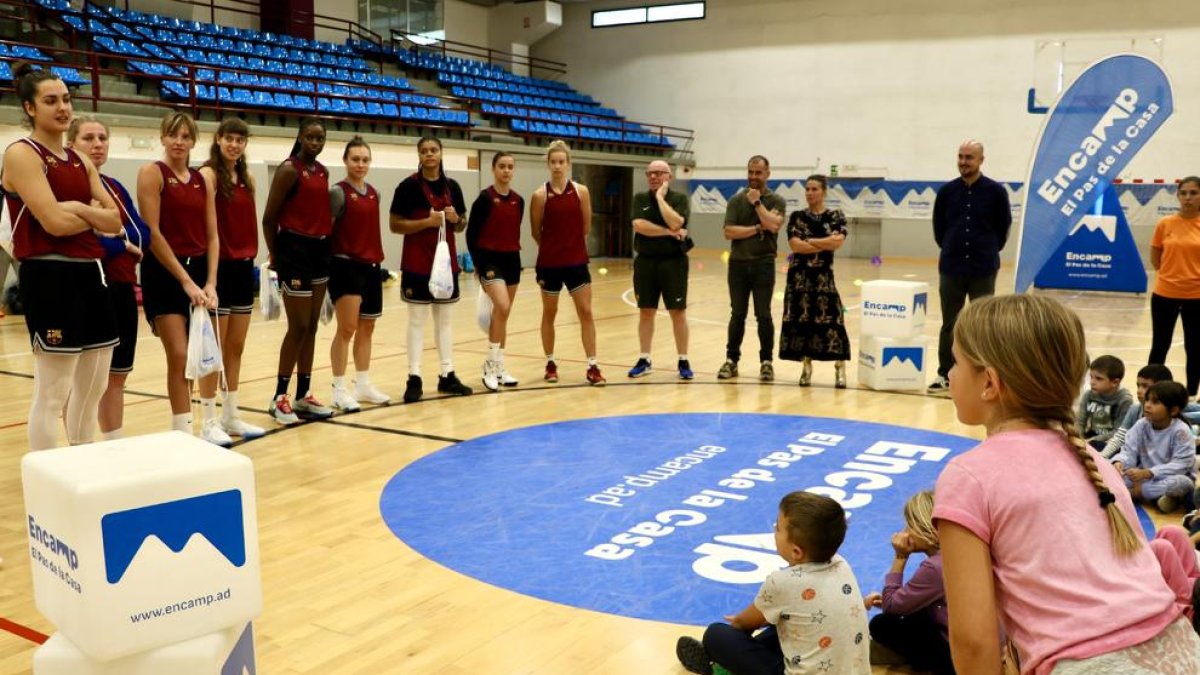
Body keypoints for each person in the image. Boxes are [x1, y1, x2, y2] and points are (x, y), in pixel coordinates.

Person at [933, 294, 1198, 674]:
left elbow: (974, 643)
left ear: (989, 382)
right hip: (1181, 651)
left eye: (956, 362)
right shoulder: (1094, 462)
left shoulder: (968, 477)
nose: (949, 374)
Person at [2, 63, 122, 450]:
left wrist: (79, 209)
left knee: (93, 389)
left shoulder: (80, 159)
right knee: (54, 392)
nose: (63, 108)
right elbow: (53, 223)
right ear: (30, 108)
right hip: (49, 276)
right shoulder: (21, 154)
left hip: (92, 273)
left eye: (66, 99)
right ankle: (44, 477)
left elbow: (115, 220)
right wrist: (90, 215)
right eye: (51, 101)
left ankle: (83, 468)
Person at [675, 491, 869, 675]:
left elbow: (742, 624)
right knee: (783, 624)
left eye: (778, 528)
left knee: (717, 635)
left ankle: (723, 668)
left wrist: (738, 642)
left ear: (796, 551)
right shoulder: (841, 563)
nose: (774, 530)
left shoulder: (782, 582)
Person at [136, 111, 226, 444]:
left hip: (200, 269)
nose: (178, 141)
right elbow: (152, 232)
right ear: (162, 137)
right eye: (173, 135)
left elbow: (212, 235)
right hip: (164, 272)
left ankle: (210, 422)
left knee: (207, 351)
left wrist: (211, 281)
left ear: (193, 141)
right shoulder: (152, 173)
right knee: (178, 354)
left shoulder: (204, 179)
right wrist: (185, 281)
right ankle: (182, 431)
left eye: (185, 136)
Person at [66, 116, 151, 441]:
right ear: (71, 144)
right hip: (83, 289)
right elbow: (80, 243)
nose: (97, 144)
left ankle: (114, 446)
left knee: (117, 376)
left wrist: (114, 235)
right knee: (80, 380)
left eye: (102, 138)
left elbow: (143, 235)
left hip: (122, 288)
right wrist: (121, 243)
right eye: (88, 138)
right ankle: (78, 448)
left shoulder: (113, 187)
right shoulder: (64, 187)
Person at [262, 117, 336, 424]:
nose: (315, 143)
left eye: (320, 138)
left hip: (320, 250)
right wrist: (277, 255)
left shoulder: (323, 171)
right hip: (293, 250)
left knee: (313, 327)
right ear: (300, 137)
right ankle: (279, 397)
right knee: (299, 325)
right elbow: (269, 218)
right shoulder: (288, 169)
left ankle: (303, 395)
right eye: (310, 137)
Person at [389, 136, 473, 403]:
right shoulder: (407, 187)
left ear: (441, 153)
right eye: (424, 150)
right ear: (419, 155)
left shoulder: (453, 186)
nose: (429, 154)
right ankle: (414, 377)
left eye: (433, 150)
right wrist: (427, 222)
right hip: (417, 263)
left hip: (445, 265)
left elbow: (461, 224)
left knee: (445, 320)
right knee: (417, 320)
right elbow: (394, 225)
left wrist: (456, 219)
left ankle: (447, 374)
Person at [197, 117, 265, 440]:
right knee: (214, 349)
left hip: (243, 267)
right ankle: (208, 420)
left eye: (240, 140)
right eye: (230, 139)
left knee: (235, 347)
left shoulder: (248, 177)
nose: (235, 145)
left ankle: (231, 415)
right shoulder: (208, 175)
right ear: (219, 139)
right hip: (218, 267)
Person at [927, 140, 1011, 396]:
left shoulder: (996, 192)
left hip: (983, 267)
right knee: (950, 323)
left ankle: (982, 376)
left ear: (981, 160)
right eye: (961, 156)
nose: (964, 162)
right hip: (951, 267)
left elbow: (1003, 228)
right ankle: (945, 374)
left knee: (982, 325)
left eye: (969, 157)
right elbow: (939, 229)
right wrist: (951, 248)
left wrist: (986, 249)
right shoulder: (947, 192)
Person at [530, 139, 605, 386]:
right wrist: (554, 249)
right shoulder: (539, 195)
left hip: (576, 263)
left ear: (568, 163)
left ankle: (592, 366)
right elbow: (536, 232)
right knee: (549, 313)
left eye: (561, 162)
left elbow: (585, 226)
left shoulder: (581, 192)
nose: (557, 166)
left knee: (586, 311)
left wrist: (569, 247)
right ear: (548, 164)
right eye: (553, 162)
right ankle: (550, 363)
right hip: (549, 264)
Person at [327, 137, 390, 411]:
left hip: (372, 266)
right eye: (355, 159)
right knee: (347, 328)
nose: (360, 164)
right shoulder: (337, 193)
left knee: (368, 327)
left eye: (365, 159)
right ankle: (338, 389)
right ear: (345, 160)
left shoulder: (375, 193)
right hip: (345, 266)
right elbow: (326, 233)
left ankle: (362, 384)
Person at [862, 490, 953, 675]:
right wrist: (902, 599)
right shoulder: (956, 552)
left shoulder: (934, 567)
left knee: (883, 624)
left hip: (955, 655)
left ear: (927, 528)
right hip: (984, 641)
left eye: (909, 525)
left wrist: (900, 556)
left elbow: (891, 607)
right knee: (915, 612)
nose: (904, 532)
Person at [778, 175, 850, 388]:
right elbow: (795, 246)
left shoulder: (835, 216)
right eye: (807, 189)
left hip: (823, 278)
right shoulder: (797, 216)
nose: (810, 193)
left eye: (814, 189)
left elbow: (837, 243)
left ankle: (840, 367)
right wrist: (824, 243)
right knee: (803, 323)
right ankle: (806, 367)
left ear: (824, 191)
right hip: (799, 279)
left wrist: (809, 240)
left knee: (834, 320)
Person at [718, 155, 786, 382]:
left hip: (763, 264)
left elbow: (773, 225)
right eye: (750, 172)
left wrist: (757, 204)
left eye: (758, 172)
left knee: (763, 315)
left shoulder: (776, 200)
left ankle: (766, 363)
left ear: (767, 174)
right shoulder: (736, 200)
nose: (753, 176)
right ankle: (731, 361)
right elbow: (729, 232)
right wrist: (757, 228)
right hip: (737, 265)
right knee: (737, 314)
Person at [627, 159, 692, 380]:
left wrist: (660, 199)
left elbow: (677, 222)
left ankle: (683, 360)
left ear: (669, 176)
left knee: (677, 312)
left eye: (659, 173)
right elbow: (639, 226)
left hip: (674, 263)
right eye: (650, 173)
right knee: (646, 311)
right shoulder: (639, 198)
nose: (653, 176)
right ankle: (644, 359)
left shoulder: (679, 199)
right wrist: (668, 232)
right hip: (646, 262)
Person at [466, 151, 524, 392]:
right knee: (502, 306)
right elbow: (471, 234)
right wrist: (478, 265)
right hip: (489, 261)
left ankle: (500, 367)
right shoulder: (485, 198)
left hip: (512, 260)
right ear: (493, 169)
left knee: (503, 314)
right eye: (502, 166)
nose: (506, 170)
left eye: (510, 166)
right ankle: (489, 366)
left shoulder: (518, 200)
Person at [1148, 175, 1200, 399]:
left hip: (1196, 297)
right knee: (1160, 345)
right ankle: (1151, 391)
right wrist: (1170, 274)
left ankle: (1191, 394)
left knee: (1195, 347)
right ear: (1178, 196)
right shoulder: (1165, 224)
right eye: (1183, 193)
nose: (1188, 198)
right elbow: (1155, 256)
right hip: (1164, 295)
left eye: (1193, 193)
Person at [1112, 380, 1196, 514]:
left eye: (1155, 402)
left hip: (1170, 477)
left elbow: (1181, 464)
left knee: (1183, 482)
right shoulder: (1141, 425)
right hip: (1144, 478)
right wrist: (1120, 462)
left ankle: (1134, 494)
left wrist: (1150, 472)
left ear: (1173, 410)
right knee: (1112, 472)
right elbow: (1128, 451)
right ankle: (1163, 498)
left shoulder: (1181, 431)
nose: (1147, 405)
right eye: (1147, 400)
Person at [1101, 363, 1174, 458]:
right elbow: (1120, 438)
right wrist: (1102, 457)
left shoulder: (1174, 413)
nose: (1139, 391)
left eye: (1145, 386)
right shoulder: (1135, 410)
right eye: (1138, 385)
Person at [1078, 354, 1134, 451]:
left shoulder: (1125, 400)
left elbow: (1118, 432)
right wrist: (1079, 438)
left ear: (1115, 382)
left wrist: (1092, 441)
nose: (1092, 382)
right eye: (1091, 377)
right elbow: (1080, 422)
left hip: (1111, 443)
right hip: (1090, 438)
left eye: (1098, 378)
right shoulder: (1088, 395)